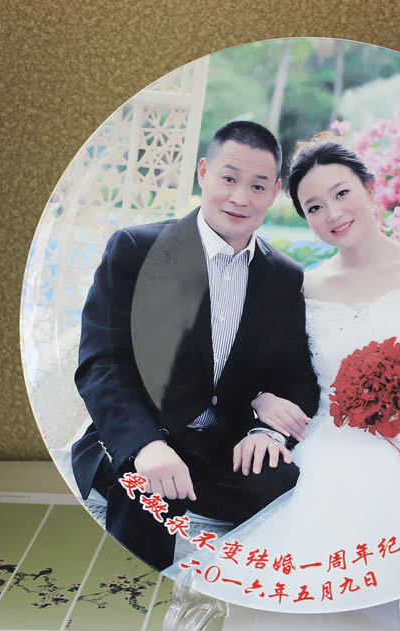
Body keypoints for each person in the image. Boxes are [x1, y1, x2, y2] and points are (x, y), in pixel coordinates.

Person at [165, 135, 400, 612]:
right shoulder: (304, 286)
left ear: (370, 188)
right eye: (314, 207)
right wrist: (261, 398)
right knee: (322, 559)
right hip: (332, 434)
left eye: (342, 193)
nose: (333, 213)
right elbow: (271, 368)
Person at [71, 121, 320, 570]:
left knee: (283, 485)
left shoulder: (283, 276)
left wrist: (266, 430)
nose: (240, 198)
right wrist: (144, 446)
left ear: (275, 192)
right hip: (146, 433)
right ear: (204, 172)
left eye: (257, 186)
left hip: (226, 443)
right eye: (228, 178)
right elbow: (101, 363)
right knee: (147, 506)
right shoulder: (136, 249)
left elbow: (298, 378)